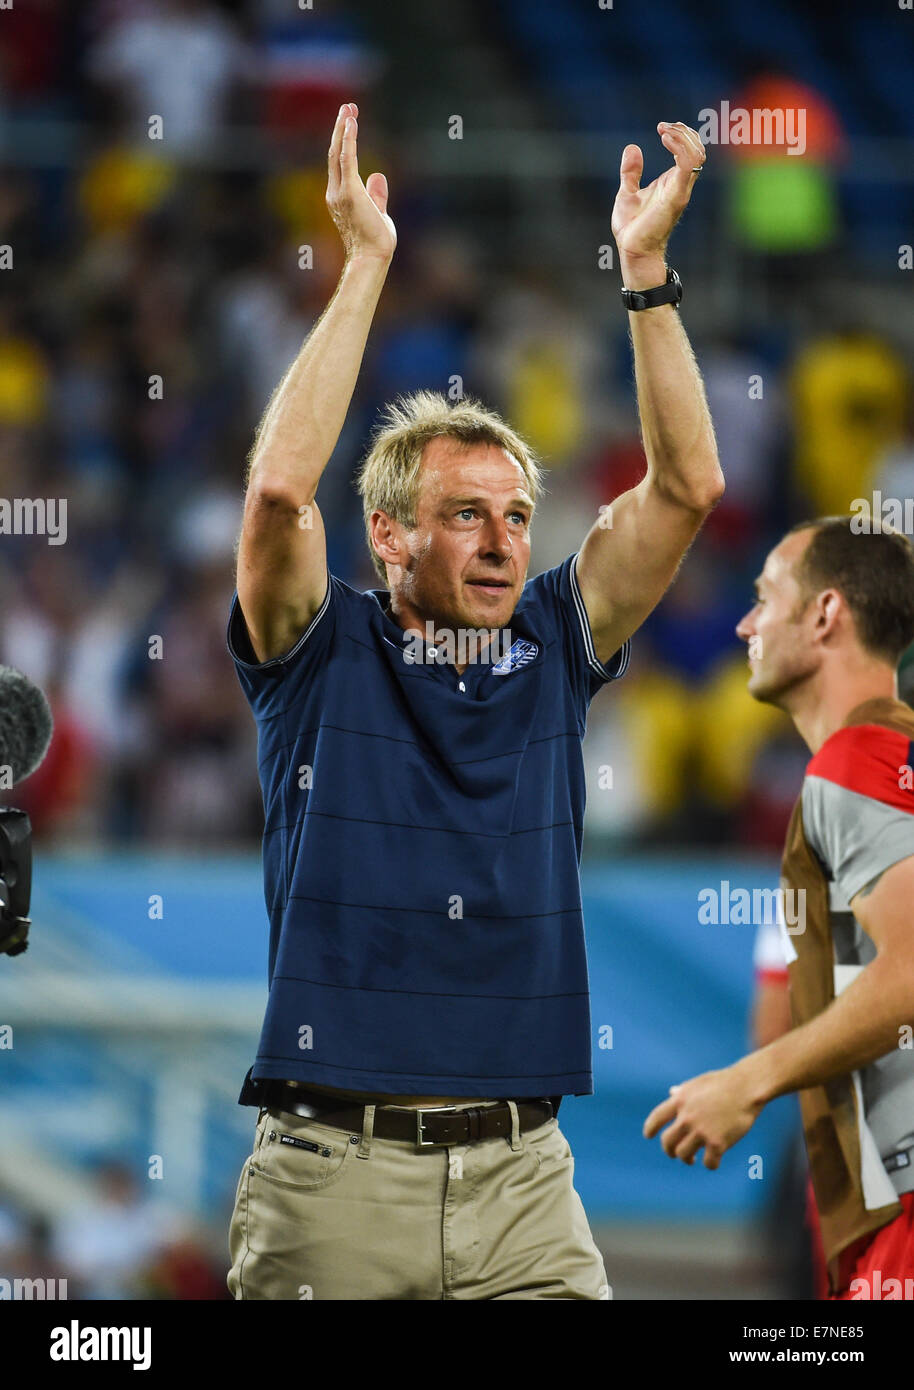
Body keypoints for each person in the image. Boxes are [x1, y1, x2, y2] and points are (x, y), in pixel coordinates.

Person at [226, 103, 721, 1300]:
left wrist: (644, 280)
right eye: (463, 515)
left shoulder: (554, 636)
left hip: (523, 1183)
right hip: (333, 1178)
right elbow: (281, 492)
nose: (502, 543)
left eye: (513, 516)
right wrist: (364, 270)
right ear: (387, 534)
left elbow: (686, 488)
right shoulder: (319, 651)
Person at [645, 517, 914, 1300]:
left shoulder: (856, 761)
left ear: (825, 614)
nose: (744, 622)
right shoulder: (891, 757)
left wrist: (748, 1081)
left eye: (764, 598)